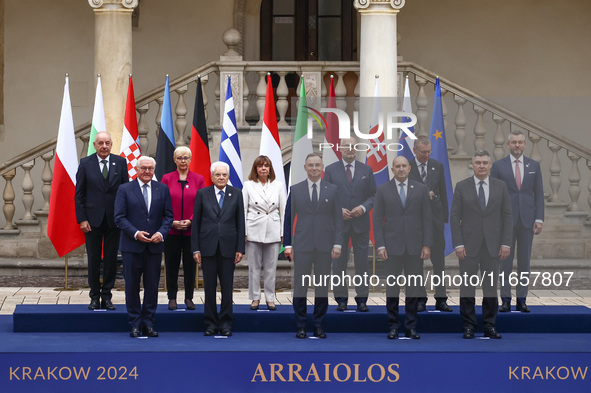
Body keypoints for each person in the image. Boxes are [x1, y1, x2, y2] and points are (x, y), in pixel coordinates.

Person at [450, 151, 513, 339]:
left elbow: (507, 216)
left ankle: (490, 326)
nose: (482, 166)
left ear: (490, 165)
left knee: (490, 288)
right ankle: (469, 326)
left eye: (485, 162)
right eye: (478, 162)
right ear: (472, 164)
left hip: (493, 246)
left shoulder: (500, 187)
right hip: (468, 247)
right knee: (467, 287)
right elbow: (454, 217)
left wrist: (506, 243)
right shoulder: (462, 187)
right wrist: (458, 244)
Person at [284, 153, 343, 339]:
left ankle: (318, 325)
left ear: (322, 167)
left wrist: (337, 244)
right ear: (305, 168)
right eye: (311, 165)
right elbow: (288, 218)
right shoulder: (296, 189)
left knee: (321, 287)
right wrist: (287, 244)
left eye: (317, 165)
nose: (314, 168)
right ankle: (301, 325)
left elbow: (339, 220)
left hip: (325, 246)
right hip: (302, 245)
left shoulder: (333, 189)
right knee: (300, 287)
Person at [373, 156, 432, 340]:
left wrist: (426, 244)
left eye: (403, 166)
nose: (400, 169)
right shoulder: (383, 190)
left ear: (409, 168)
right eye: (397, 166)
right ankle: (393, 326)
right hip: (391, 248)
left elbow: (427, 219)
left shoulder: (420, 189)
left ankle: (411, 326)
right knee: (392, 289)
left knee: (413, 289)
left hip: (415, 248)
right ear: (392, 169)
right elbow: (376, 220)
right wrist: (380, 245)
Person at [114, 156, 173, 338]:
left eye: (150, 168)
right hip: (132, 246)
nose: (147, 172)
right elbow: (119, 217)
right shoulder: (125, 189)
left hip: (154, 248)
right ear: (137, 169)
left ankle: (148, 322)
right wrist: (136, 233)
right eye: (144, 168)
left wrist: (161, 233)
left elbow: (168, 216)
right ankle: (134, 323)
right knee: (131, 286)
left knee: (152, 286)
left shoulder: (162, 189)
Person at [491, 130, 544, 313]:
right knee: (504, 262)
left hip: (527, 220)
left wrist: (539, 218)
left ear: (525, 144)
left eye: (520, 142)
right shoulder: (498, 166)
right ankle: (505, 299)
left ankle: (522, 299)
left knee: (524, 262)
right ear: (507, 145)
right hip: (505, 221)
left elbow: (539, 194)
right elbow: (494, 196)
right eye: (514, 142)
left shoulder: (534, 166)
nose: (517, 145)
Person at [75, 131, 129, 310]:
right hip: (92, 221)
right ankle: (94, 296)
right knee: (93, 259)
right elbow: (79, 194)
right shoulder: (85, 164)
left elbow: (125, 192)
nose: (104, 146)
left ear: (111, 145)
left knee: (112, 259)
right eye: (100, 143)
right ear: (95, 145)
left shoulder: (120, 162)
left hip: (114, 219)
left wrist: (123, 216)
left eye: (107, 143)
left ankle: (107, 296)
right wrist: (82, 219)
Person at [192, 161, 245, 337]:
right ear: (212, 176)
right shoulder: (202, 194)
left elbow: (240, 222)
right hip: (207, 248)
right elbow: (196, 223)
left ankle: (226, 323)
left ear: (228, 177)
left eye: (224, 175)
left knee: (227, 288)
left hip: (229, 249)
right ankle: (210, 323)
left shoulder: (236, 194)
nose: (221, 177)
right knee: (209, 288)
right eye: (217, 175)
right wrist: (195, 249)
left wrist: (240, 248)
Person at [324, 138, 376, 312]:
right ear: (340, 149)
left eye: (354, 146)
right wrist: (338, 210)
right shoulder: (331, 170)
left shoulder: (366, 170)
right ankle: (341, 299)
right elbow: (326, 195)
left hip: (361, 224)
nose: (351, 149)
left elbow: (373, 196)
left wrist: (363, 208)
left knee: (362, 263)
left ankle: (362, 299)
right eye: (347, 146)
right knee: (339, 263)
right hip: (339, 225)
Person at [408, 135, 452, 312]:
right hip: (415, 224)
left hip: (435, 223)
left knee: (439, 263)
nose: (426, 155)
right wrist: (428, 195)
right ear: (415, 150)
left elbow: (442, 192)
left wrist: (444, 220)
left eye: (428, 152)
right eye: (423, 152)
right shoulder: (407, 167)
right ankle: (420, 298)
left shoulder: (437, 166)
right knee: (416, 264)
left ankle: (441, 298)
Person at [161, 146, 205, 311]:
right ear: (174, 160)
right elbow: (161, 203)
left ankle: (189, 297)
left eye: (186, 157)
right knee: (171, 265)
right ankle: (172, 297)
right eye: (179, 158)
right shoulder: (166, 178)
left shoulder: (198, 179)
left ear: (190, 159)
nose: (183, 161)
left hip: (190, 231)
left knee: (190, 266)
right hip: (171, 230)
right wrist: (171, 221)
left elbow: (202, 204)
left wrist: (191, 220)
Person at [242, 155, 286, 311]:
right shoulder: (248, 186)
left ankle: (270, 298)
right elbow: (243, 210)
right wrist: (244, 232)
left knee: (270, 267)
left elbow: (284, 210)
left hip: (273, 229)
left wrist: (283, 233)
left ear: (270, 169)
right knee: (254, 267)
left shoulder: (278, 185)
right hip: (253, 228)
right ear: (255, 169)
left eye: (266, 166)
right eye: (260, 166)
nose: (263, 169)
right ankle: (255, 298)